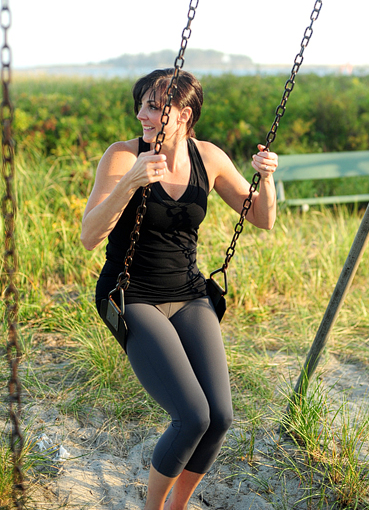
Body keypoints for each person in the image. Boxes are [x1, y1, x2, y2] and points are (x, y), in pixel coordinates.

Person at [80, 69, 279, 510]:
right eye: (141, 105)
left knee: (220, 418)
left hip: (189, 294)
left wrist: (266, 178)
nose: (141, 115)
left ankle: (178, 506)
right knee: (192, 416)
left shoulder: (207, 157)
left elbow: (263, 218)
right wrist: (131, 180)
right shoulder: (121, 155)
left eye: (153, 106)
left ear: (183, 114)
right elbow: (89, 236)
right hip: (131, 295)